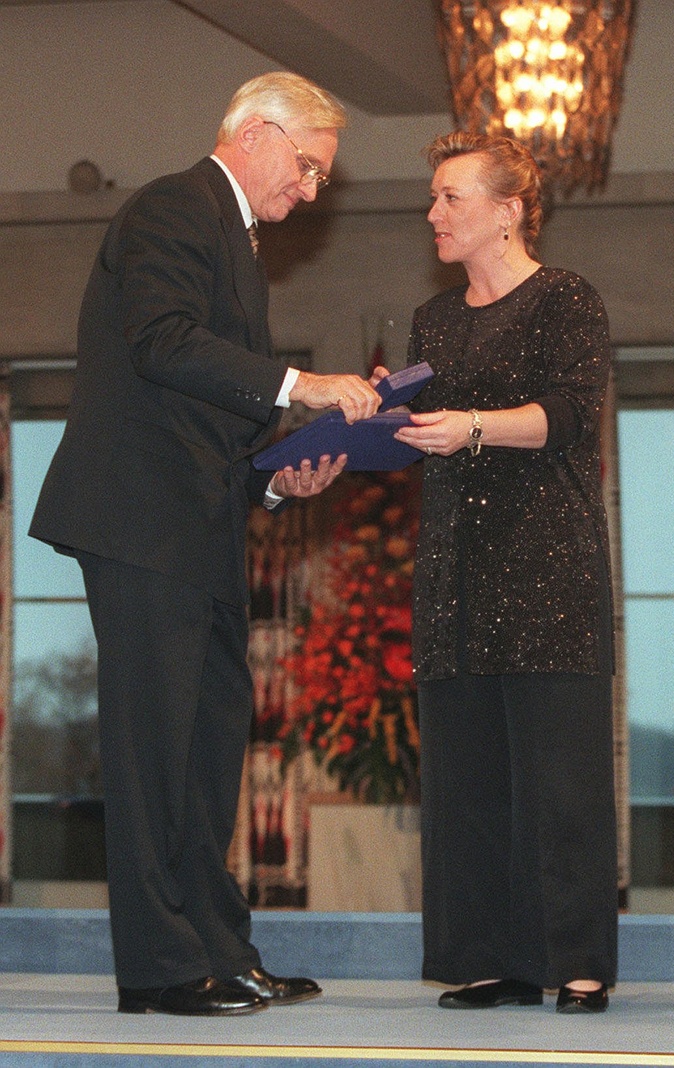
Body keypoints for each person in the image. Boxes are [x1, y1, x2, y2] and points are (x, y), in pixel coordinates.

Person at [29, 72, 382, 1016]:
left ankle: (219, 951)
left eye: (322, 176)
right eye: (308, 166)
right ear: (255, 133)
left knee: (207, 750)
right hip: (142, 522)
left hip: (200, 524)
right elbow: (162, 342)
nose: (312, 189)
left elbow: (207, 406)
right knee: (155, 751)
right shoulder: (173, 207)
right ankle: (157, 970)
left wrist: (275, 477)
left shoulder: (237, 237)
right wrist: (302, 384)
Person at [385, 131, 617, 1016]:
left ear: (509, 210)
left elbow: (568, 415)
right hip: (455, 567)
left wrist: (471, 425)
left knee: (561, 779)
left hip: (547, 564)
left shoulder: (566, 298)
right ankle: (489, 960)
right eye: (434, 197)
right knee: (467, 780)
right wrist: (382, 416)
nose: (433, 213)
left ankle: (577, 963)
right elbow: (424, 429)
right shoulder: (434, 318)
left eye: (451, 197)